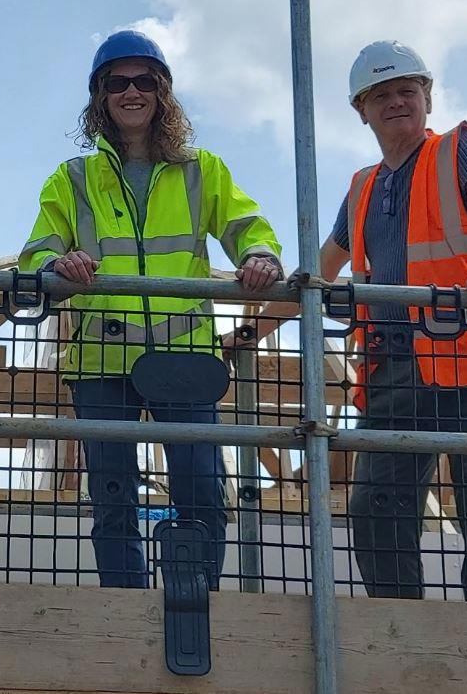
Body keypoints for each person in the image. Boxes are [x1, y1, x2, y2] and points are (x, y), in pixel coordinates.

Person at [232, 40, 467, 602]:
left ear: (427, 98)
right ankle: (401, 632)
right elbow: (319, 273)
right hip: (393, 368)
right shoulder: (364, 186)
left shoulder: (460, 150)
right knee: (375, 513)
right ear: (361, 110)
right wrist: (251, 333)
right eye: (382, 94)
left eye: (407, 90)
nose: (397, 102)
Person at [18, 30, 283, 590]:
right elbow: (39, 249)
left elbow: (245, 226)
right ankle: (125, 608)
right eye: (117, 83)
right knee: (112, 497)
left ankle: (194, 604)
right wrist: (56, 266)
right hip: (102, 359)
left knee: (202, 490)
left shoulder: (200, 169)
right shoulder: (72, 179)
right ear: (101, 97)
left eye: (143, 81)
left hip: (184, 358)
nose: (130, 92)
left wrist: (259, 254)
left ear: (162, 92)